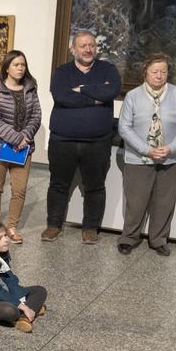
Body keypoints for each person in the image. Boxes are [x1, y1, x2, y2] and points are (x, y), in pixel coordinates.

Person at [43, 30, 120, 244]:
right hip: (62, 141)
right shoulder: (62, 72)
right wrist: (94, 98)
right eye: (83, 46)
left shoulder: (108, 69)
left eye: (91, 45)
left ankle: (90, 228)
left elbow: (111, 91)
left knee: (95, 186)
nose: (88, 49)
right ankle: (53, 224)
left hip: (97, 143)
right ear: (73, 49)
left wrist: (81, 89)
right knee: (58, 185)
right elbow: (61, 96)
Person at [117, 53, 176, 257]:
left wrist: (172, 147)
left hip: (170, 158)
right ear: (145, 73)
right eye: (154, 71)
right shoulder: (133, 96)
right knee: (136, 201)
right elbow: (124, 127)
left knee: (164, 201)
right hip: (139, 158)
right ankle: (129, 238)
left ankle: (158, 239)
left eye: (163, 72)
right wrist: (147, 149)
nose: (159, 76)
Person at [0, 50, 42, 244]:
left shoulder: (31, 89)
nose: (20, 68)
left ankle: (12, 227)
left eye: (23, 65)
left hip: (23, 148)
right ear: (7, 67)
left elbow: (36, 116)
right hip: (0, 147)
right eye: (16, 64)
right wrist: (16, 138)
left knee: (20, 189)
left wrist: (25, 137)